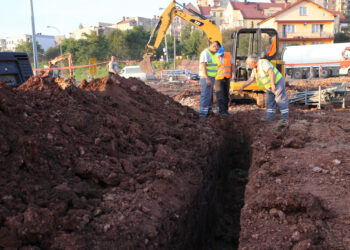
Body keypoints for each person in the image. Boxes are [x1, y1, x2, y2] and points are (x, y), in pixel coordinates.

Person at [238, 56, 289, 125]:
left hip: (277, 83)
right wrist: (242, 87)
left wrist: (273, 84)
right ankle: (270, 117)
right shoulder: (255, 69)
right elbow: (251, 79)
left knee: (280, 100)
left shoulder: (263, 63)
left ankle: (284, 119)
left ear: (253, 62)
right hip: (269, 87)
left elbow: (271, 72)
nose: (249, 66)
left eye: (250, 64)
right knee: (269, 102)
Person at [199, 41, 221, 119]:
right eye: (216, 49)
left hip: (211, 78)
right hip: (207, 77)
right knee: (205, 96)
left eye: (218, 50)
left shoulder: (212, 54)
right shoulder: (206, 53)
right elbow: (203, 66)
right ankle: (202, 115)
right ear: (213, 46)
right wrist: (207, 78)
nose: (217, 51)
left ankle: (208, 112)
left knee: (209, 96)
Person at [214, 45, 235, 115]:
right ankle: (221, 111)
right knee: (219, 95)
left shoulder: (228, 55)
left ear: (223, 51)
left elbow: (232, 65)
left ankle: (226, 110)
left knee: (226, 95)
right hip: (218, 79)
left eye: (221, 54)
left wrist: (234, 74)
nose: (220, 56)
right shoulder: (214, 57)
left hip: (227, 77)